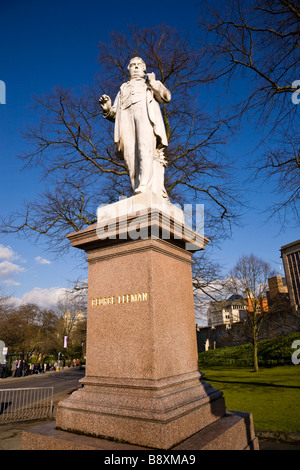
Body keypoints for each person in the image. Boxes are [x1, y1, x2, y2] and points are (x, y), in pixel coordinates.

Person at [99, 57, 171, 198]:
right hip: (126, 119)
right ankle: (137, 187)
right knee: (130, 155)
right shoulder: (123, 89)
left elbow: (166, 97)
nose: (136, 67)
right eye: (133, 65)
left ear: (144, 69)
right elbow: (115, 113)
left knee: (144, 148)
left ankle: (144, 184)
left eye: (139, 65)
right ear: (129, 69)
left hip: (145, 116)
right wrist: (107, 108)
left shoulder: (148, 84)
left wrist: (154, 83)